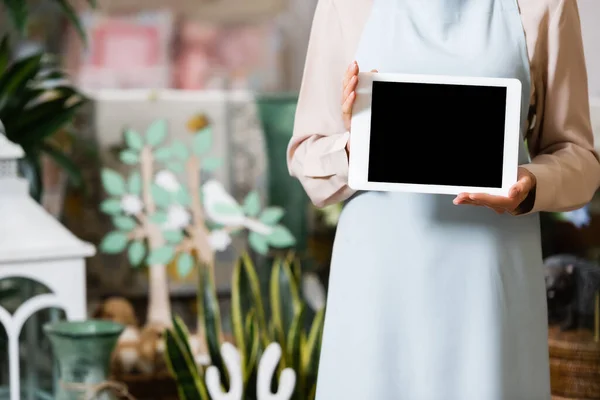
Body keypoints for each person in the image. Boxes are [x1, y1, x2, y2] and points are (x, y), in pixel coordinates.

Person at [287, 0, 600, 399]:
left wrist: (530, 183)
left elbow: (579, 158)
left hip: (490, 280)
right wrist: (358, 144)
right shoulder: (346, 4)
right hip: (377, 280)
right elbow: (306, 153)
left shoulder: (547, 4)